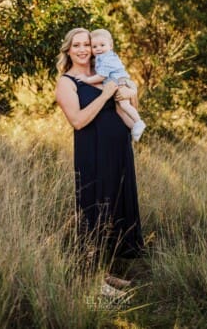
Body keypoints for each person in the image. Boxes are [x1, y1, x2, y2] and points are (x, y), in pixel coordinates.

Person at [55, 27, 144, 265]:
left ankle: (110, 271)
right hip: (93, 154)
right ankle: (92, 275)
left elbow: (130, 102)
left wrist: (131, 89)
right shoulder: (67, 82)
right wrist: (105, 96)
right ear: (68, 50)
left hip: (119, 152)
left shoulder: (105, 72)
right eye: (77, 45)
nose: (83, 50)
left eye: (87, 44)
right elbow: (78, 121)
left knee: (116, 208)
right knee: (94, 209)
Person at [76, 28, 146, 142]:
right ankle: (134, 127)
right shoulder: (101, 58)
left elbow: (101, 76)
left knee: (124, 105)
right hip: (117, 82)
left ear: (111, 45)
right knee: (120, 109)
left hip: (120, 82)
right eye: (94, 47)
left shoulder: (107, 59)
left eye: (102, 45)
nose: (98, 48)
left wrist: (87, 80)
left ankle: (138, 122)